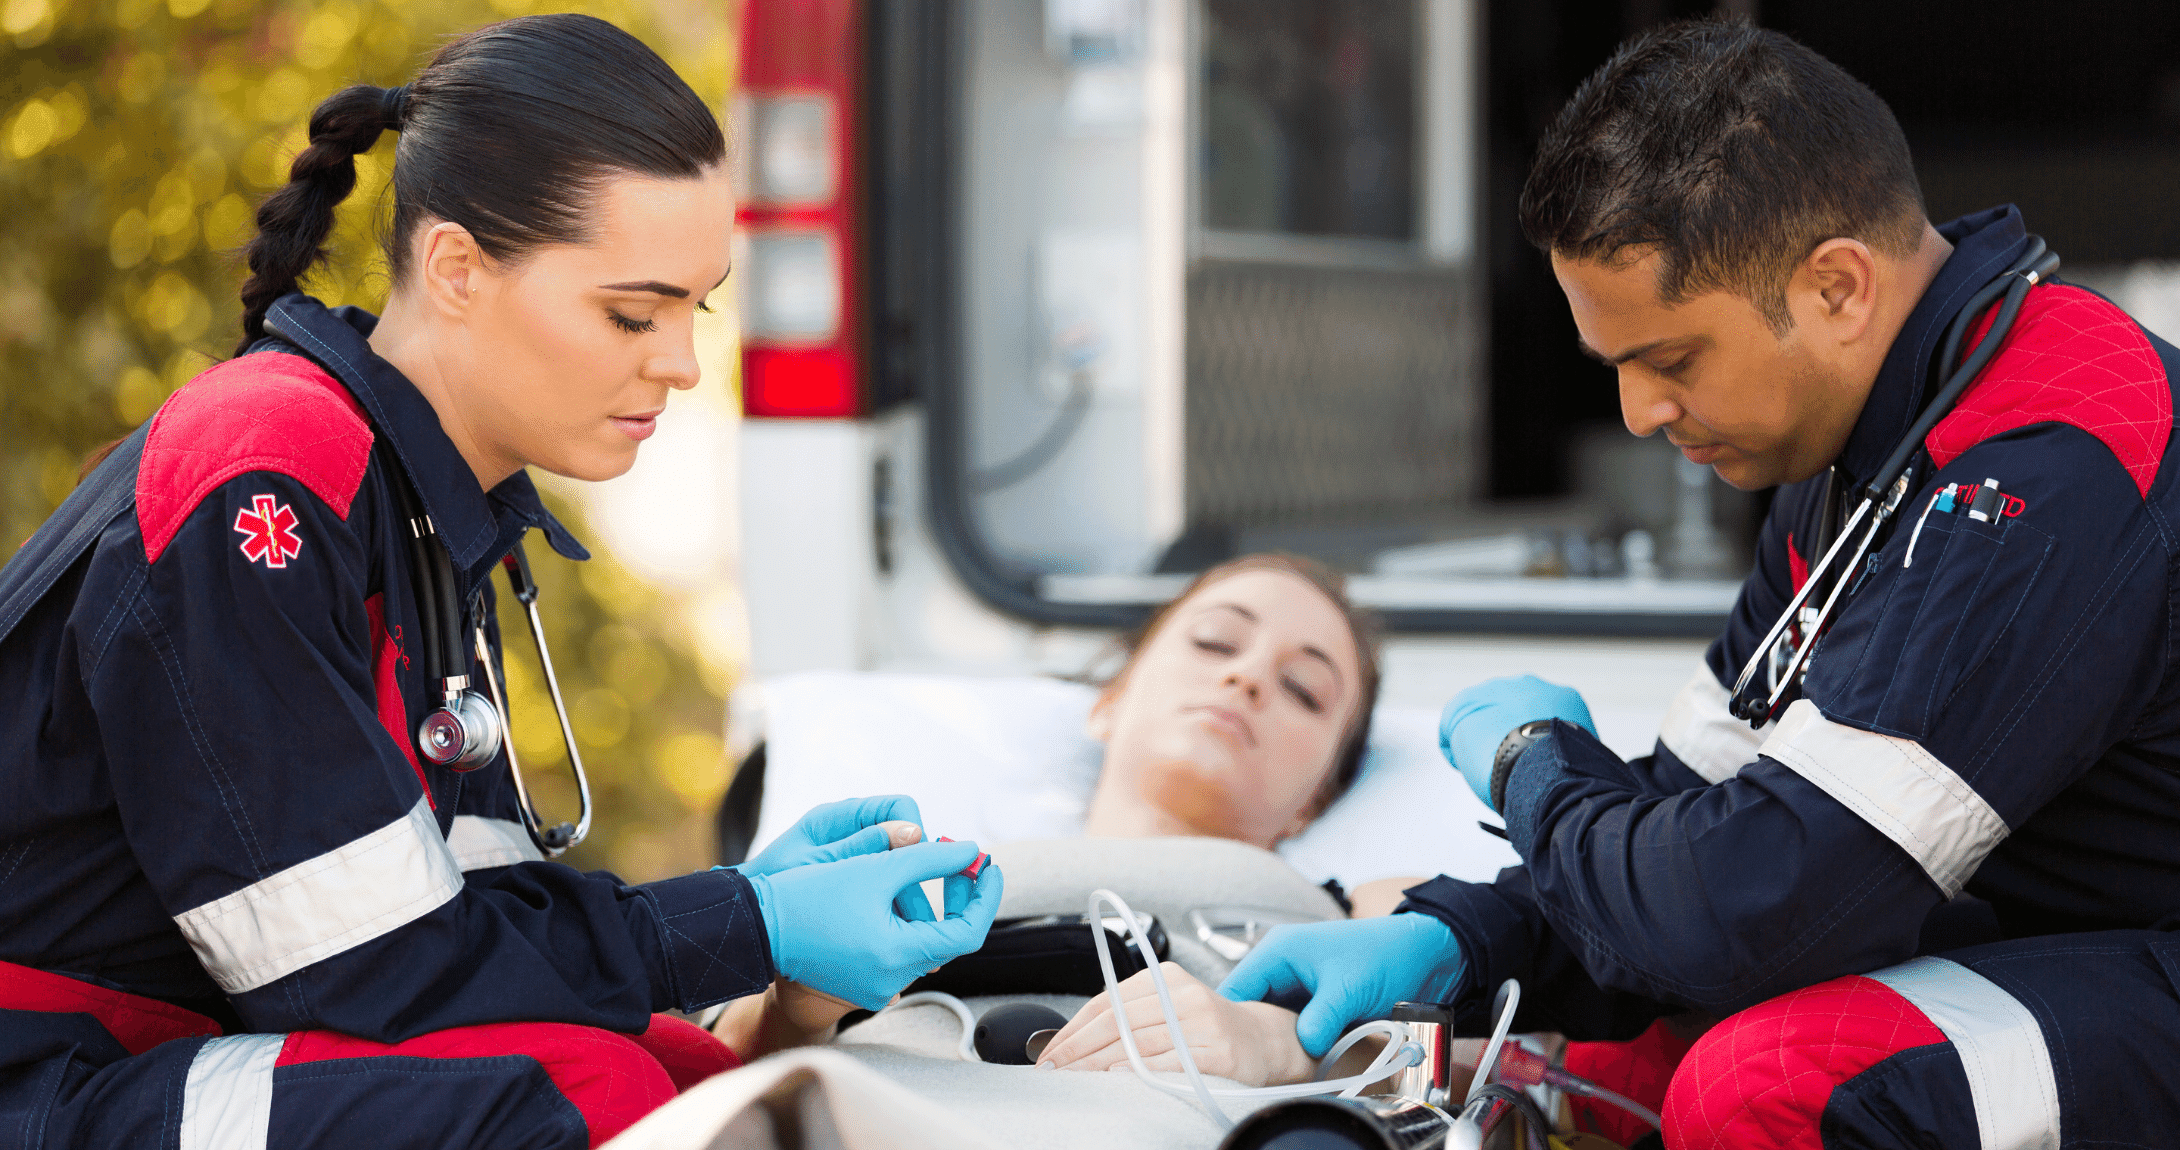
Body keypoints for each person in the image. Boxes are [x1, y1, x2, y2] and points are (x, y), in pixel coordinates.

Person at [0, 16, 998, 1150]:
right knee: (580, 1099)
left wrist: (761, 923)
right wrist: (748, 921)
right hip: (43, 1081)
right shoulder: (267, 472)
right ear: (456, 269)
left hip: (159, 1054)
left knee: (683, 1070)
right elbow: (366, 967)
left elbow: (470, 925)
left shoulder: (429, 514)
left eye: (697, 308)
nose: (680, 362)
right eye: (632, 313)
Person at [1218, 19, 2180, 1149]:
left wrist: (1531, 766)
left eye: (1670, 360)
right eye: (1616, 369)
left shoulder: (2054, 458)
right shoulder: (1853, 460)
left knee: (1766, 1083)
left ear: (1836, 287)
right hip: (2079, 938)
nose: (1639, 414)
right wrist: (1464, 937)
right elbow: (1689, 823)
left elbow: (1745, 914)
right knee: (1613, 1058)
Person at [715, 552, 1421, 1086]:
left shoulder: (1369, 913)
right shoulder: (922, 880)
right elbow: (714, 1073)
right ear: (1108, 703)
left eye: (1303, 689)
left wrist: (1274, 1044)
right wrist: (795, 1011)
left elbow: (1451, 1060)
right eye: (1213, 641)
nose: (1249, 677)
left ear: (1316, 798)